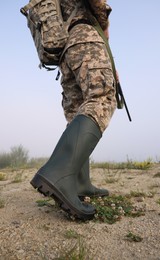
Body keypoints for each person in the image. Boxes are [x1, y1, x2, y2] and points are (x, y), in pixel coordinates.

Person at [30, 0, 117, 220]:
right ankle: (58, 173)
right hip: (84, 35)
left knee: (77, 110)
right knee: (101, 97)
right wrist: (104, 23)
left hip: (66, 50)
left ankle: (80, 182)